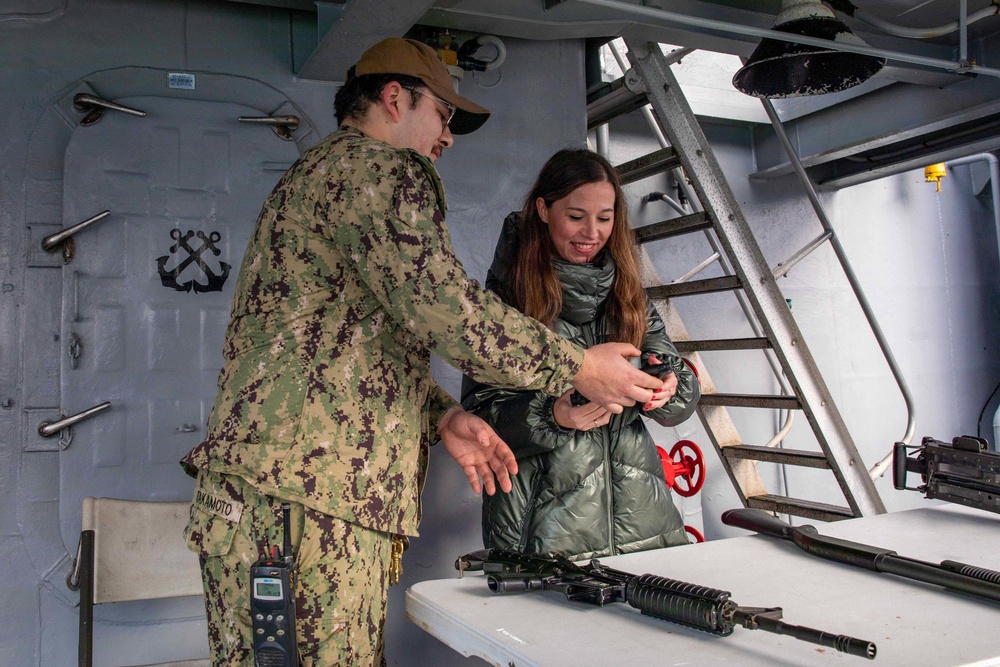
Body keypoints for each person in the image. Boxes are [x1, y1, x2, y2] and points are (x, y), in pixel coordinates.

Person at [178, 39, 667, 666]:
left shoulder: (319, 175)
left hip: (281, 493)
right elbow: (443, 308)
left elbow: (349, 341)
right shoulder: (382, 170)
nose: (449, 136)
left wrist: (439, 414)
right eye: (442, 114)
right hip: (308, 500)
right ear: (393, 98)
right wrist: (578, 366)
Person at [462, 148, 701, 560]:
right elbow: (480, 421)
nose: (591, 232)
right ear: (543, 209)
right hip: (542, 536)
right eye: (576, 216)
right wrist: (554, 415)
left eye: (605, 218)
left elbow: (680, 397)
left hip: (646, 525)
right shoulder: (503, 305)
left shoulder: (628, 295)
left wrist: (667, 387)